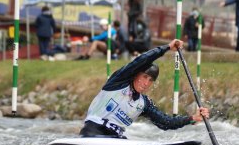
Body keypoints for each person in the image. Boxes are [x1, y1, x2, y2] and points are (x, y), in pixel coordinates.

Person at [79, 39, 210, 138]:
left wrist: (192, 118)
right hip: (92, 132)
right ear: (136, 74)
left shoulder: (143, 103)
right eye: (144, 77)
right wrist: (167, 47)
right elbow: (142, 59)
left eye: (151, 80)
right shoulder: (118, 81)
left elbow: (165, 122)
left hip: (115, 138)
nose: (146, 83)